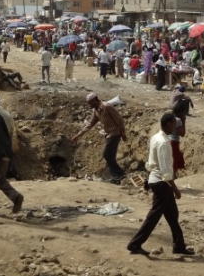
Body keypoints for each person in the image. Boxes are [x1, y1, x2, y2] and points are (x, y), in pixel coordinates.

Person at [127, 112, 194, 256]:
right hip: (162, 183)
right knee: (153, 217)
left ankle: (179, 246)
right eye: (175, 124)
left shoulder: (156, 137)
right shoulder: (164, 143)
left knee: (172, 215)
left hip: (158, 180)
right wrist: (175, 188)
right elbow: (165, 170)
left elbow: (154, 162)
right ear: (169, 124)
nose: (175, 127)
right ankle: (135, 244)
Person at [72, 93, 127, 183]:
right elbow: (90, 124)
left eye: (90, 102)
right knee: (110, 156)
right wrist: (79, 135)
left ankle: (119, 174)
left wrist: (123, 133)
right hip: (108, 134)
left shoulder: (107, 106)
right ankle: (116, 177)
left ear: (94, 100)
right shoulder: (95, 110)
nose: (89, 105)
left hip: (115, 133)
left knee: (107, 154)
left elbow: (119, 119)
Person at [171, 102, 187, 178]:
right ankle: (173, 178)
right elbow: (182, 134)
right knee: (174, 162)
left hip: (166, 141)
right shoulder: (178, 120)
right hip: (173, 142)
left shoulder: (170, 117)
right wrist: (184, 121)